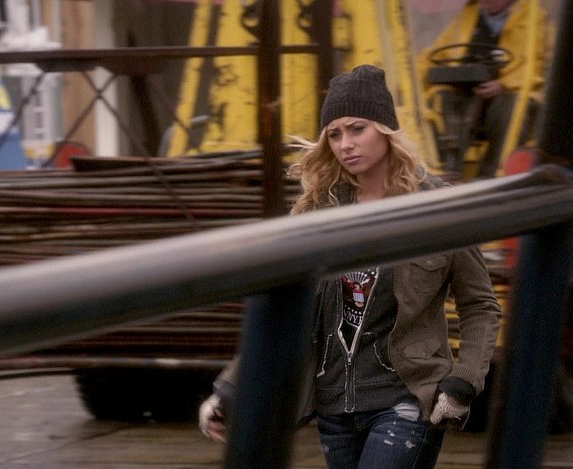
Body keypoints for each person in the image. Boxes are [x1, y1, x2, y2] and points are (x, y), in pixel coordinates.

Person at [198, 64, 501, 469]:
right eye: (335, 134)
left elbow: (480, 305)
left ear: (385, 130)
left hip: (407, 400)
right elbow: (280, 313)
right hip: (335, 409)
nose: (346, 144)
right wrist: (229, 390)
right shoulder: (319, 212)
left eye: (358, 129)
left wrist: (463, 382)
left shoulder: (438, 207)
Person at [418, 0, 552, 179]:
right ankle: (446, 172)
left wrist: (504, 84)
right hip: (467, 94)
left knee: (511, 107)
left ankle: (493, 176)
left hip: (509, 94)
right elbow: (434, 55)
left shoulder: (535, 19)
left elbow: (540, 65)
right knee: (440, 99)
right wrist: (414, 77)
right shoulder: (465, 19)